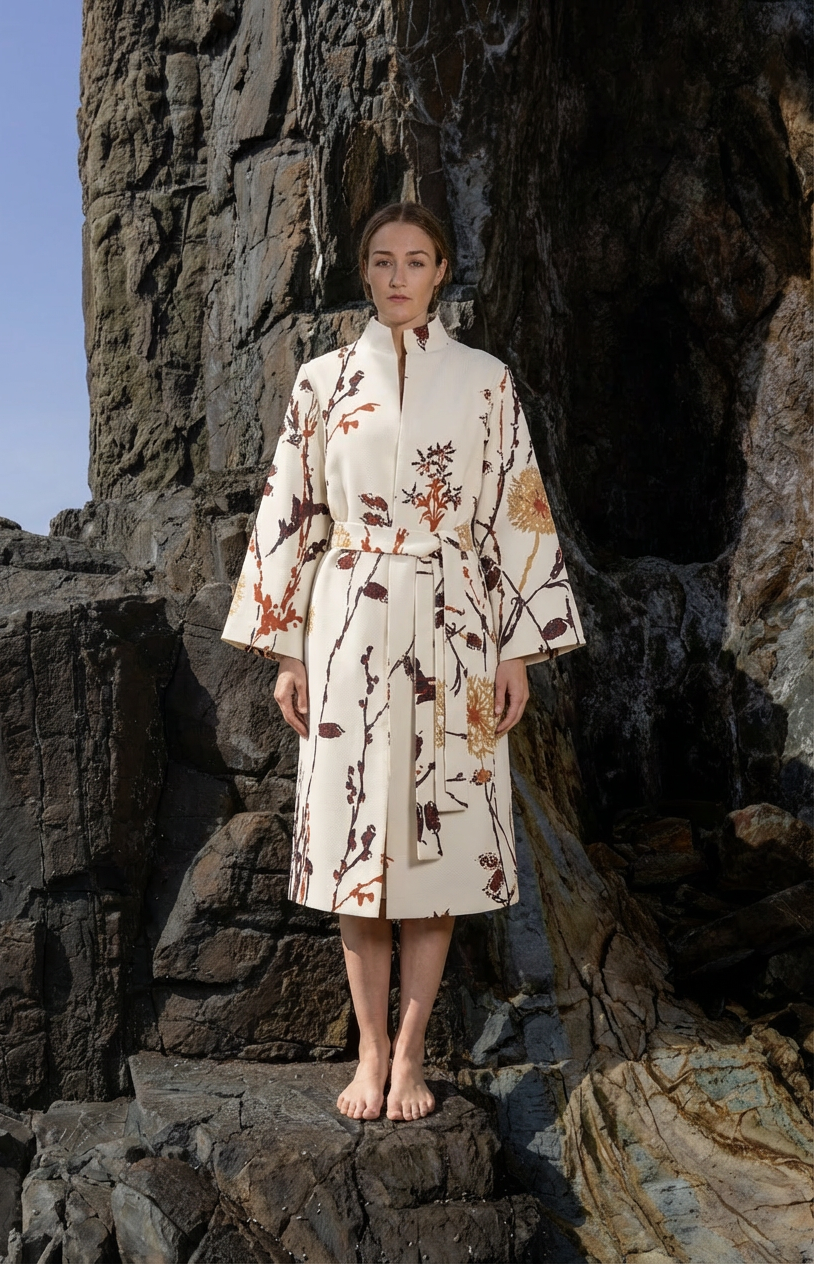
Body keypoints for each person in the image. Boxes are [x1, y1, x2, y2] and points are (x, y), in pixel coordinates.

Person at [221, 201, 586, 1123]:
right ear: (364, 270)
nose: (397, 276)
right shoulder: (322, 383)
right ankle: (370, 1049)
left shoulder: (486, 380)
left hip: (457, 624)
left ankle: (414, 1052)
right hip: (348, 622)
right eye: (382, 260)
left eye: (415, 261)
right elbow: (292, 517)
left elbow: (515, 513)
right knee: (356, 843)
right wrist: (290, 653)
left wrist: (518, 652)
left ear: (441, 271)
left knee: (440, 845)